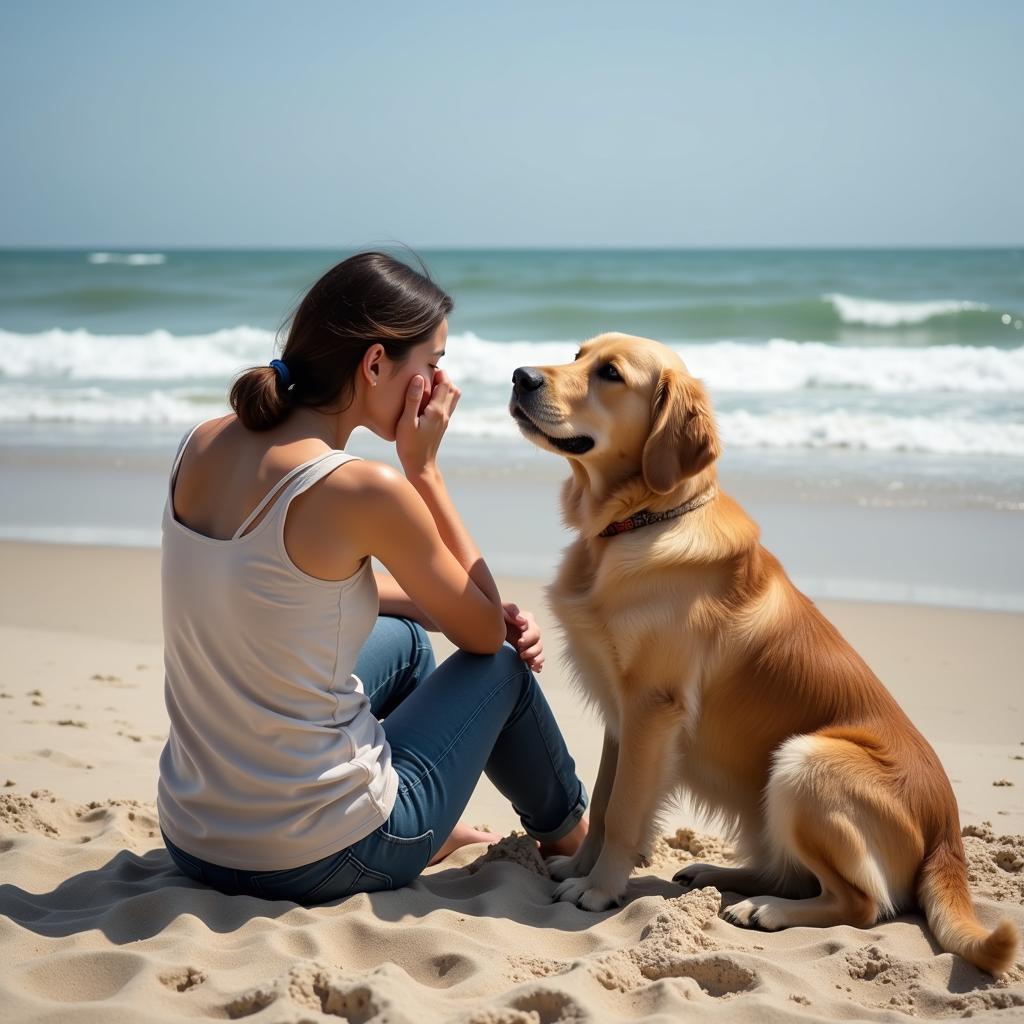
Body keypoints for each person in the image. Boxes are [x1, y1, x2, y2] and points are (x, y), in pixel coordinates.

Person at [157, 250, 590, 904]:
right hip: (327, 858)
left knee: (410, 641)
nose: (440, 385)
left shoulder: (201, 443)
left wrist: (426, 606)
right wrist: (425, 472)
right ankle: (573, 839)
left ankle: (439, 828)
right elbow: (481, 633)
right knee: (500, 669)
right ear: (376, 364)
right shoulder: (363, 488)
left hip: (193, 839)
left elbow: (272, 592)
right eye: (433, 365)